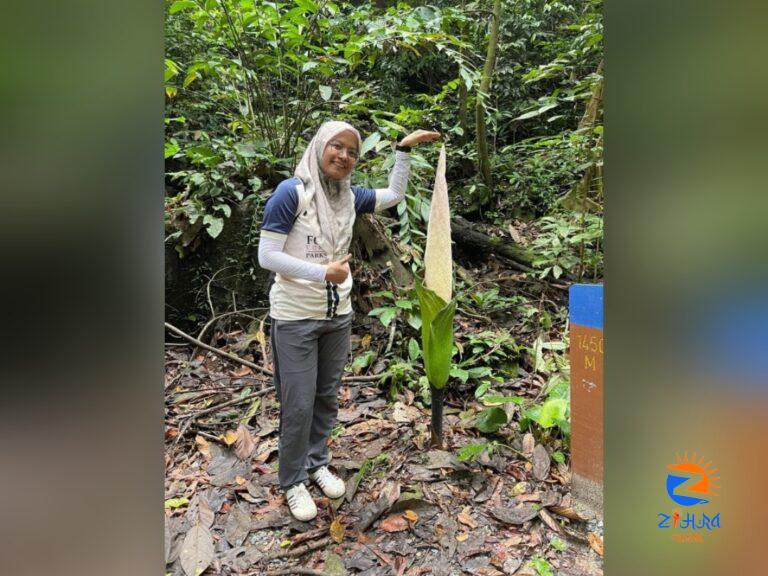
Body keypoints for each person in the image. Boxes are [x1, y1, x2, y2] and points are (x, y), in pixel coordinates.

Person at [258, 120, 440, 521]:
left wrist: (403, 151)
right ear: (320, 146)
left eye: (351, 152)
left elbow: (393, 195)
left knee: (325, 396)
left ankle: (317, 461)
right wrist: (322, 272)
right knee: (298, 402)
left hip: (337, 317)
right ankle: (292, 481)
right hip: (294, 318)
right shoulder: (292, 194)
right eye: (336, 147)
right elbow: (266, 256)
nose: (343, 156)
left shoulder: (349, 197)